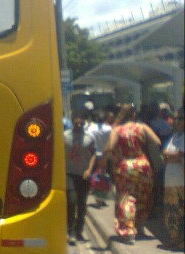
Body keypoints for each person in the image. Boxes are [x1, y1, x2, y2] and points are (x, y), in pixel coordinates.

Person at [101, 104, 162, 244]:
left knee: (126, 198)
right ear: (134, 115)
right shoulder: (143, 128)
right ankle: (139, 226)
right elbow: (157, 141)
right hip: (142, 165)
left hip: (124, 167)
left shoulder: (117, 130)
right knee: (143, 196)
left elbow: (108, 148)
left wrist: (103, 163)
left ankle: (128, 230)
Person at [64, 111, 97, 245]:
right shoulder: (64, 136)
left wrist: (89, 169)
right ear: (72, 122)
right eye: (76, 123)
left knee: (82, 204)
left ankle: (79, 231)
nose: (79, 125)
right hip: (69, 173)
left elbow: (94, 154)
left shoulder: (89, 137)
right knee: (71, 202)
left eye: (81, 123)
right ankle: (70, 231)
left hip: (83, 174)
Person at [162, 107, 184, 251]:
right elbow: (165, 153)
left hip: (181, 183)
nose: (175, 122)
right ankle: (175, 240)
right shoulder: (175, 136)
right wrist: (172, 156)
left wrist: (172, 156)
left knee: (180, 212)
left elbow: (179, 155)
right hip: (171, 183)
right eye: (175, 119)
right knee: (172, 212)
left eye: (179, 119)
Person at [86, 109, 112, 207]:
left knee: (94, 176)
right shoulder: (108, 128)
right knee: (103, 177)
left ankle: (97, 197)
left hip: (93, 155)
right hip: (105, 155)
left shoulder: (90, 128)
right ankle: (101, 198)